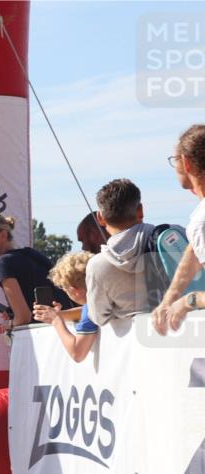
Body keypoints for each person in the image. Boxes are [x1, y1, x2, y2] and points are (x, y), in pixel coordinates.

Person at [0, 211, 69, 327]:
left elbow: (23, 318)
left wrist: (7, 325)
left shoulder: (3, 263)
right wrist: (13, 314)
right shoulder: (31, 254)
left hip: (46, 334)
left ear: (3, 235)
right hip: (66, 328)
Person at [153, 124, 205, 334]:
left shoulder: (201, 222)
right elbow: (194, 249)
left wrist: (188, 301)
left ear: (186, 163)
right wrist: (170, 298)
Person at [84, 179, 157, 327]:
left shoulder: (97, 265)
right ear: (140, 210)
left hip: (135, 343)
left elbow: (99, 318)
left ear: (100, 218)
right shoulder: (170, 238)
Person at [33, 252, 98, 363]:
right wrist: (57, 314)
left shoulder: (90, 310)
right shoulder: (103, 301)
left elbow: (77, 354)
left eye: (65, 289)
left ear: (74, 290)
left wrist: (56, 321)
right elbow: (83, 311)